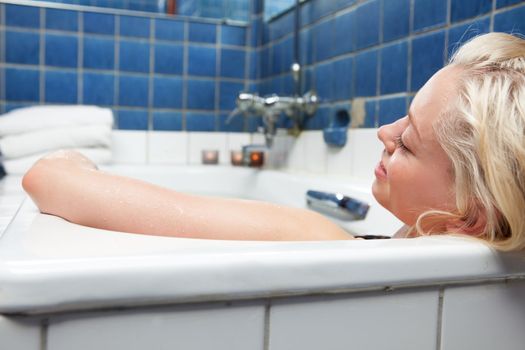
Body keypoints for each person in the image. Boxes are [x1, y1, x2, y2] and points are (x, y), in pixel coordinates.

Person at [22, 32, 525, 251]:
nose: (383, 132)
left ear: (467, 216)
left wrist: (71, 158)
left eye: (408, 142)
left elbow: (47, 180)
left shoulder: (323, 241)